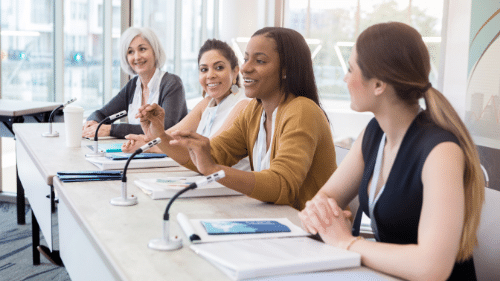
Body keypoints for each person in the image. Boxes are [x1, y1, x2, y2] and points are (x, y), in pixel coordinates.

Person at [298, 22, 485, 280]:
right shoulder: (374, 133)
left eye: (351, 69)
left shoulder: (441, 150)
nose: (345, 78)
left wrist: (346, 242)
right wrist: (319, 214)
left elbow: (433, 267)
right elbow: (326, 198)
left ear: (378, 84)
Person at [136, 27, 336, 210]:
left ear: (286, 70)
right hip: (277, 223)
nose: (246, 68)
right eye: (246, 58)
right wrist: (159, 135)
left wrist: (214, 169)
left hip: (312, 236)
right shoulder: (254, 111)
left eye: (259, 61)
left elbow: (282, 185)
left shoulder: (301, 111)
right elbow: (211, 155)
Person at [122, 39, 251, 170]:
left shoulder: (243, 105)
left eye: (219, 67)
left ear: (235, 71)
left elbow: (209, 154)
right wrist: (146, 139)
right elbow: (171, 136)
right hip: (209, 181)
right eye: (204, 69)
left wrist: (150, 146)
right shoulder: (207, 103)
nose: (210, 75)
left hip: (229, 186)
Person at [82, 27, 187, 139]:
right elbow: (101, 114)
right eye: (130, 52)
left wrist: (110, 129)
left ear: (155, 52)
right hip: (141, 152)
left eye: (142, 49)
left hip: (170, 155)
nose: (137, 57)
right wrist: (92, 123)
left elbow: (164, 128)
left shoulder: (172, 84)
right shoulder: (133, 86)